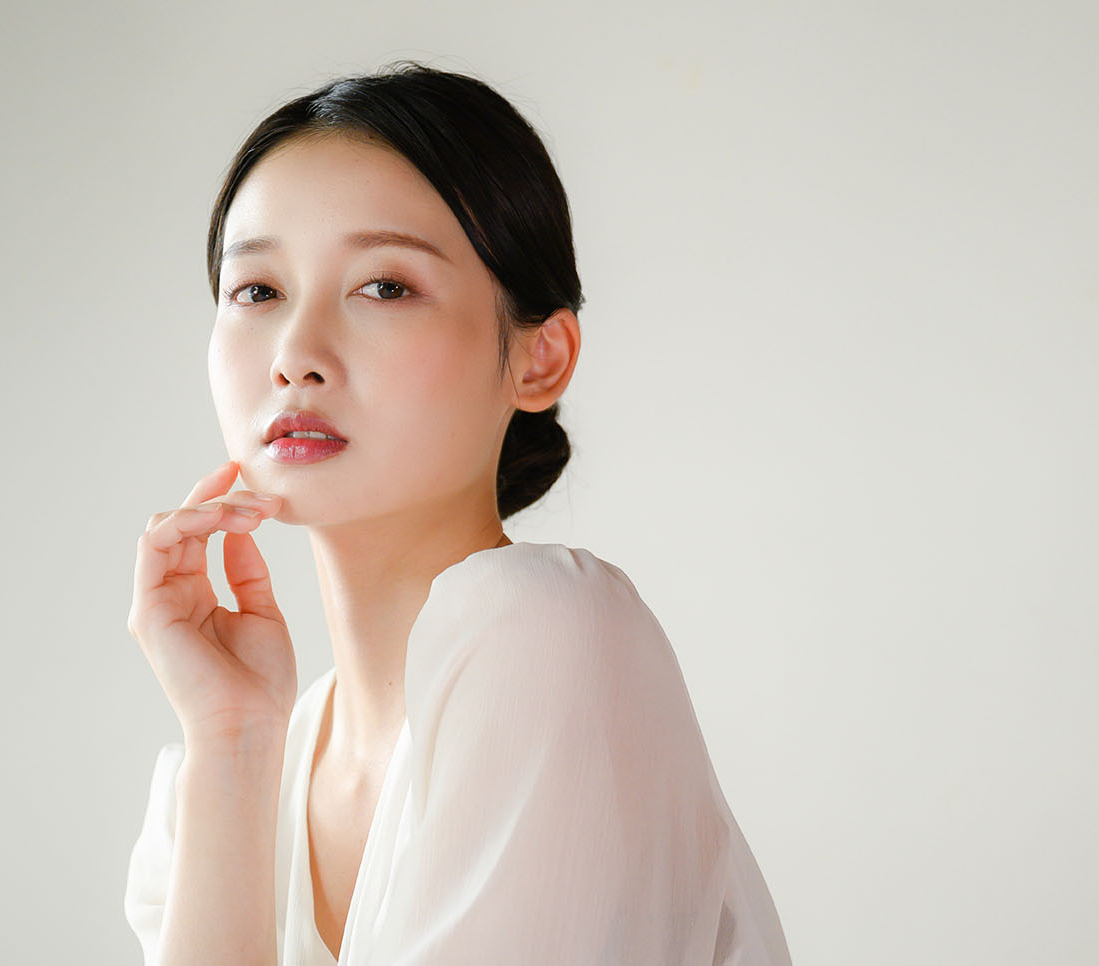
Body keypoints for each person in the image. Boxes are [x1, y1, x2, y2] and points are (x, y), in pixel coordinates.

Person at [122, 60, 793, 966]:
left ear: (540, 358)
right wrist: (234, 744)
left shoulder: (547, 633)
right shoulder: (229, 771)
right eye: (257, 292)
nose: (295, 355)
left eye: (384, 285)